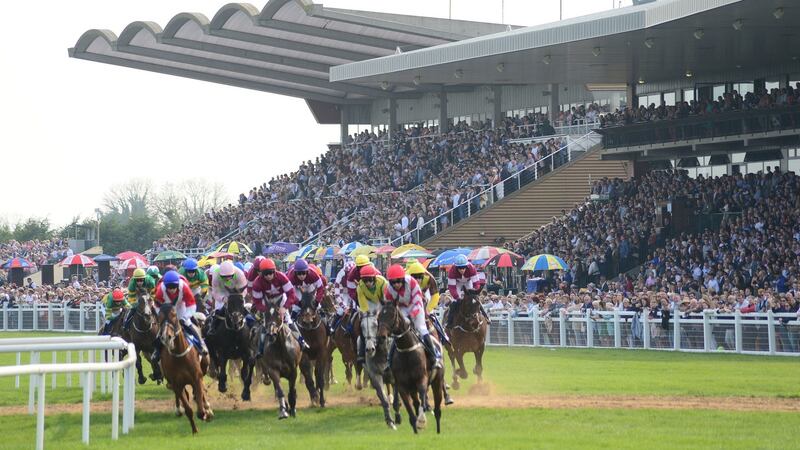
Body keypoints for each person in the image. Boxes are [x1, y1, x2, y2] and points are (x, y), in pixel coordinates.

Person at [383, 264, 443, 370]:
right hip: (401, 309)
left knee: (422, 329)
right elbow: (389, 306)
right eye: (393, 282)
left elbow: (417, 303)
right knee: (397, 334)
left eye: (398, 281)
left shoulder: (412, 282)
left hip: (416, 306)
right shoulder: (388, 290)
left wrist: (411, 316)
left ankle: (435, 357)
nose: (396, 285)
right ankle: (389, 362)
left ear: (402, 279)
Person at [250, 258, 307, 352]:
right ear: (261, 274)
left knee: (288, 320)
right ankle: (260, 350)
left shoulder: (282, 277)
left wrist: (285, 308)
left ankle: (301, 341)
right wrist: (266, 310)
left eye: (270, 273)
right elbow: (257, 302)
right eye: (266, 274)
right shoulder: (257, 283)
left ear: (274, 271)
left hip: (281, 298)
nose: (268, 276)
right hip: (266, 301)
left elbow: (291, 294)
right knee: (265, 323)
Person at [152, 270, 207, 365]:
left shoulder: (184, 287)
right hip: (166, 309)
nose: (172, 289)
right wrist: (162, 317)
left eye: (174, 287)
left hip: (181, 307)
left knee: (188, 324)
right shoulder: (160, 289)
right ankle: (157, 351)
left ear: (178, 284)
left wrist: (185, 317)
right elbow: (157, 306)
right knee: (162, 329)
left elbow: (192, 304)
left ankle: (200, 345)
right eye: (169, 287)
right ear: (165, 285)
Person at [407, 261, 448, 345]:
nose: (418, 280)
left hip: (425, 294)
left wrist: (428, 309)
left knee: (431, 316)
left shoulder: (429, 277)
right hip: (409, 296)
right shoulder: (405, 279)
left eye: (420, 277)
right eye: (415, 277)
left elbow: (435, 296)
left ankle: (442, 334)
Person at [355, 264, 387, 363]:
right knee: (363, 322)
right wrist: (366, 313)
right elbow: (363, 304)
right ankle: (361, 350)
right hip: (369, 303)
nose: (367, 283)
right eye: (365, 281)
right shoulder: (360, 286)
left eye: (370, 280)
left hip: (383, 302)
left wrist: (379, 313)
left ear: (374, 278)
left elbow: (387, 301)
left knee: (387, 321)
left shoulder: (383, 282)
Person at [445, 254, 487, 328]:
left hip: (468, 281)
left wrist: (474, 292)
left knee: (475, 299)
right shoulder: (452, 271)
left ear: (467, 266)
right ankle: (449, 322)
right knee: (454, 300)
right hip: (457, 283)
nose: (462, 270)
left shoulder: (472, 268)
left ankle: (485, 316)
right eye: (459, 268)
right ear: (456, 267)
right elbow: (452, 287)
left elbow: (476, 283)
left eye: (463, 268)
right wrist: (457, 297)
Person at [207, 260, 248, 335]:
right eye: (224, 277)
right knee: (218, 310)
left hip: (236, 294)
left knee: (245, 310)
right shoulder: (216, 274)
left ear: (233, 272)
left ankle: (250, 328)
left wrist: (238, 297)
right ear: (220, 274)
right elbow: (215, 291)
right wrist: (222, 298)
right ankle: (212, 328)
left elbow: (244, 289)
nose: (228, 279)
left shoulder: (240, 274)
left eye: (230, 276)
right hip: (222, 293)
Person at [331, 260, 356, 334]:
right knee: (340, 311)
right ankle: (332, 328)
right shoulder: (340, 275)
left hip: (355, 293)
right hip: (345, 294)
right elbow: (337, 294)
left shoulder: (357, 274)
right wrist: (344, 307)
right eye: (348, 274)